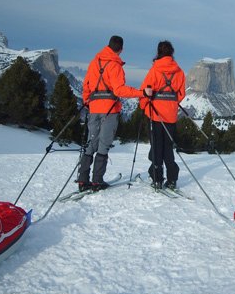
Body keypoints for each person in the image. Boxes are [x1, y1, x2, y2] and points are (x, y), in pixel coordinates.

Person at [78, 35, 152, 191]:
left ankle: (82, 180)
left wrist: (87, 102)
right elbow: (119, 90)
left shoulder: (94, 62)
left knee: (91, 143)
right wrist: (142, 93)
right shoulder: (115, 65)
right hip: (109, 109)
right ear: (121, 49)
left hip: (93, 107)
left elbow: (87, 85)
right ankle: (97, 181)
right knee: (103, 145)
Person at [140, 40, 186, 190]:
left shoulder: (154, 71)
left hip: (155, 114)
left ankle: (157, 178)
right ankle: (172, 179)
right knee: (168, 147)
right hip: (171, 115)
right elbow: (181, 94)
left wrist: (145, 106)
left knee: (156, 147)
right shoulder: (179, 72)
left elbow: (145, 91)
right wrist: (171, 104)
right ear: (172, 53)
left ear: (158, 53)